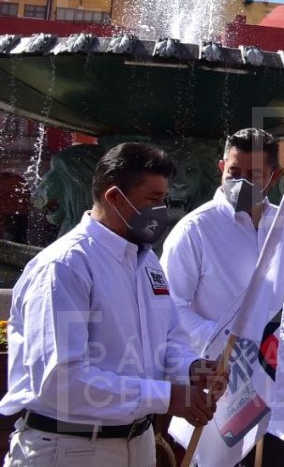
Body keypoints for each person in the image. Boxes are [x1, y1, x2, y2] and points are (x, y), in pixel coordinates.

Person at [0, 142, 221, 465]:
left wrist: (190, 368)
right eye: (153, 199)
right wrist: (166, 396)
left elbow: (169, 337)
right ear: (114, 197)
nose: (163, 209)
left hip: (137, 443)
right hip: (72, 449)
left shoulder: (147, 262)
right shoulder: (65, 267)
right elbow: (61, 382)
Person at [162, 127, 284, 463]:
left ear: (274, 176)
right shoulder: (195, 230)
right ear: (220, 167)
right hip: (221, 381)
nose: (241, 183)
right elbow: (169, 307)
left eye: (253, 175)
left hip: (276, 381)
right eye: (234, 173)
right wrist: (221, 342)